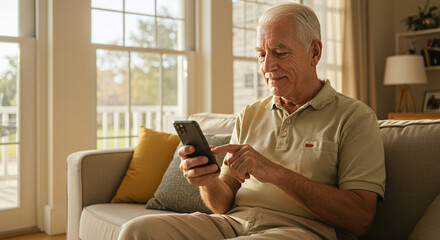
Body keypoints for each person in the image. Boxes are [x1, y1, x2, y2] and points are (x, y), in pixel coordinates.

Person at [117, 3, 385, 240]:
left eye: (280, 52)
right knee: (137, 231)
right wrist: (208, 181)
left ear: (314, 52)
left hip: (303, 230)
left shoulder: (355, 118)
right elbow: (222, 203)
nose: (267, 66)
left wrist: (275, 172)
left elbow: (360, 219)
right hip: (232, 222)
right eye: (261, 54)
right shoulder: (250, 114)